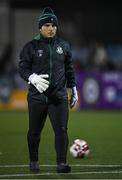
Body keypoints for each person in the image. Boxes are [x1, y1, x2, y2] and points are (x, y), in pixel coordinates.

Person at [18, 7, 78, 173]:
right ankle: (34, 161)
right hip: (37, 98)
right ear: (40, 28)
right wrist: (31, 77)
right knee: (34, 132)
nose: (51, 28)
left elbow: (69, 69)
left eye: (53, 25)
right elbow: (22, 68)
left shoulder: (64, 46)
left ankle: (61, 164)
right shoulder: (30, 46)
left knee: (62, 130)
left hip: (58, 97)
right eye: (47, 25)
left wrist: (73, 88)